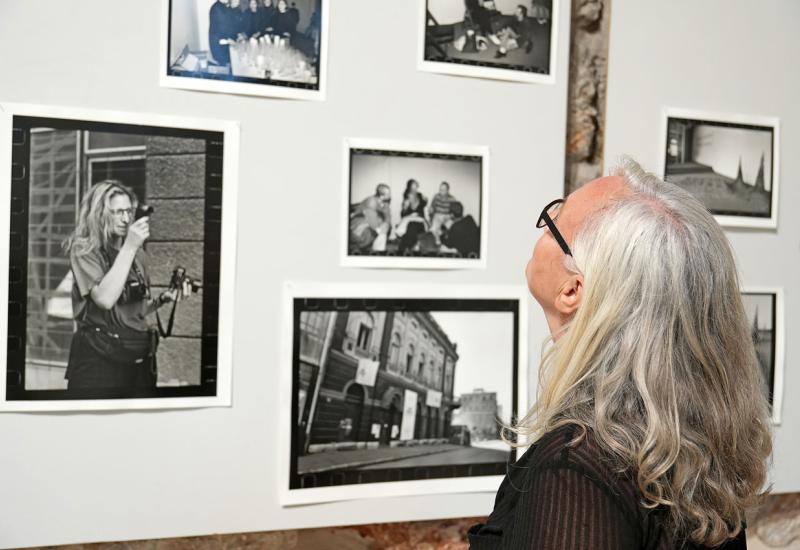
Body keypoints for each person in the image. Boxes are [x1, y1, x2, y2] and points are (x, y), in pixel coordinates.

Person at [468, 157, 771, 548]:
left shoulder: (576, 472)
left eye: (555, 220)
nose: (543, 226)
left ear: (572, 291)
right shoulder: (692, 439)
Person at [62, 181, 188, 391]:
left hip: (137, 357)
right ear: (99, 214)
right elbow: (105, 299)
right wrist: (129, 246)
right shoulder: (85, 251)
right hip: (98, 359)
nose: (126, 218)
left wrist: (162, 300)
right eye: (117, 212)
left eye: (129, 211)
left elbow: (132, 311)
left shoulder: (139, 256)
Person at [349, 184, 392, 254]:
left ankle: (378, 252)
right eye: (389, 193)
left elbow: (388, 216)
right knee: (381, 229)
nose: (390, 195)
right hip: (359, 223)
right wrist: (380, 228)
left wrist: (386, 224)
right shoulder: (371, 201)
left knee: (384, 229)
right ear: (382, 195)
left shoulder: (385, 204)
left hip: (374, 224)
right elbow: (372, 220)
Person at [208, 0, 232, 65]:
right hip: (218, 44)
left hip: (220, 41)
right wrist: (230, 39)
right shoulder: (217, 8)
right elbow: (223, 27)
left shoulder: (220, 6)